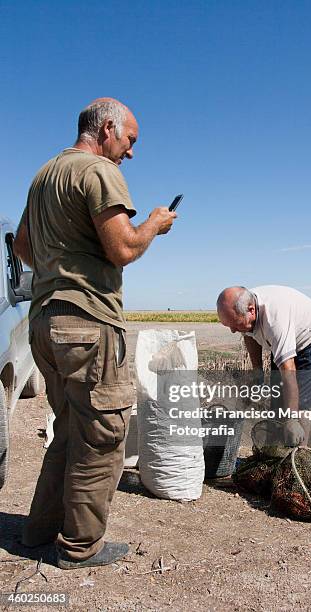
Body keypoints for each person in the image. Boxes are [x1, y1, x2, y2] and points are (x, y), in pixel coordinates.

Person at [13, 97, 176, 569]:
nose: (131, 152)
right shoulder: (98, 171)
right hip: (87, 322)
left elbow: (22, 246)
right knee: (103, 434)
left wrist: (58, 268)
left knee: (69, 429)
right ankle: (81, 546)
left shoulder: (44, 175)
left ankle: (39, 530)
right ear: (107, 129)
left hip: (44, 322)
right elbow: (124, 247)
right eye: (130, 140)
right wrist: (155, 225)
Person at [216, 285, 311, 446]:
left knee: (300, 408)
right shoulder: (244, 311)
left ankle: (298, 456)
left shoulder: (275, 321)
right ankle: (276, 453)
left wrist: (291, 419)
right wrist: (257, 373)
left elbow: (288, 371)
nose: (232, 330)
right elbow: (249, 335)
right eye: (228, 325)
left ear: (251, 310)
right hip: (285, 339)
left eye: (234, 324)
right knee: (278, 399)